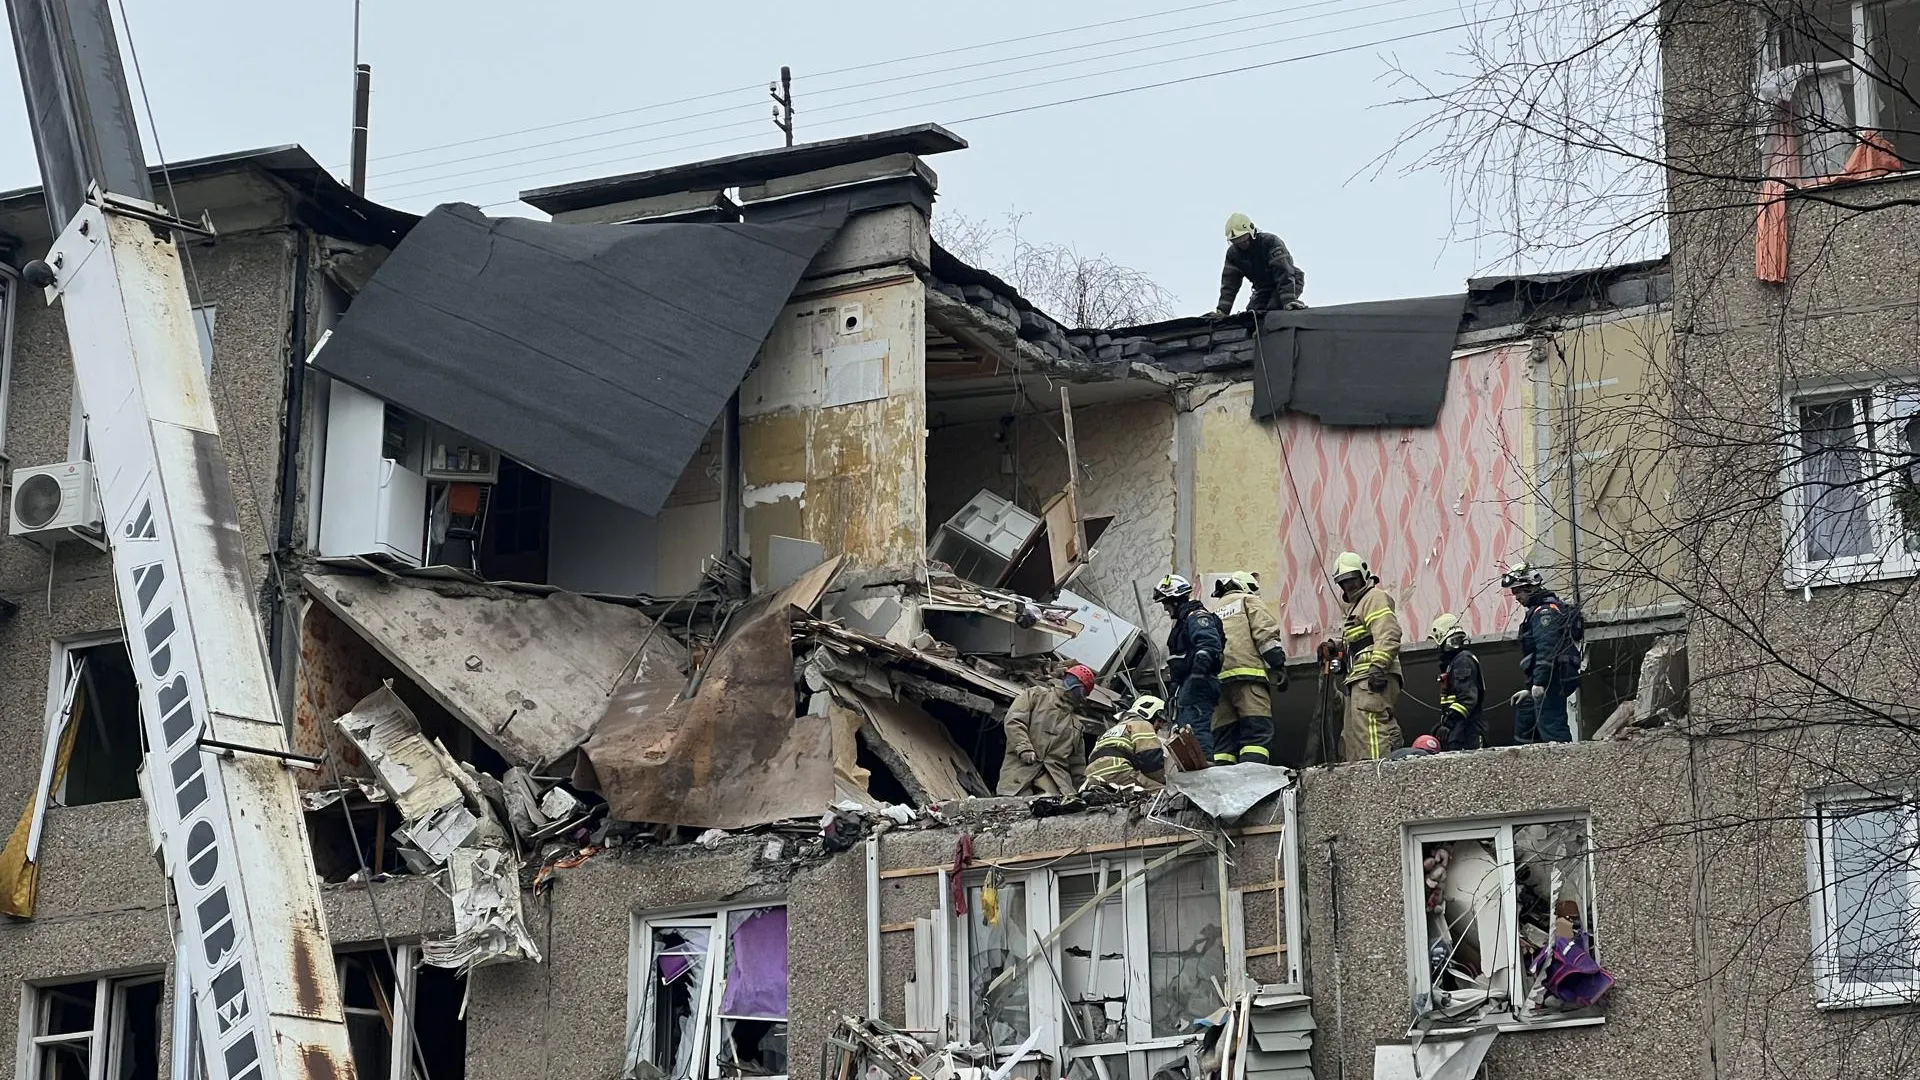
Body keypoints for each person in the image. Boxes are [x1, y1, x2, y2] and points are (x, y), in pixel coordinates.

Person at [1208, 571, 1288, 764]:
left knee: (1224, 743)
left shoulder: (1211, 612)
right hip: (1247, 676)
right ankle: (1254, 783)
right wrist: (1278, 664)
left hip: (1216, 684)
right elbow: (1265, 635)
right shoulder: (1248, 600)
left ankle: (1225, 785)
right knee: (1256, 734)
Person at [1332, 552, 1404, 761]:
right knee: (1353, 737)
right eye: (1343, 582)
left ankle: (1376, 779)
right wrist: (1334, 645)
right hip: (1359, 678)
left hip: (1372, 676)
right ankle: (1361, 781)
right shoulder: (1356, 606)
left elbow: (1388, 632)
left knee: (1370, 730)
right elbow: (1358, 642)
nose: (1349, 585)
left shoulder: (1374, 597)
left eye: (1352, 579)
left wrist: (1378, 666)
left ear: (1363, 575)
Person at [1504, 564, 1584, 743]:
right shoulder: (1541, 610)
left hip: (1552, 679)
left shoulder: (1544, 612)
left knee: (1552, 726)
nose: (1516, 597)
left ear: (1530, 587)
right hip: (1550, 678)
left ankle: (1564, 762)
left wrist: (1539, 683)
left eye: (1519, 592)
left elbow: (1547, 649)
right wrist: (1530, 688)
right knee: (1527, 715)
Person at [1153, 574, 1226, 761]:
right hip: (1187, 683)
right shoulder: (1183, 621)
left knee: (1196, 729)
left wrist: (1197, 676)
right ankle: (1194, 769)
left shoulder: (1197, 616)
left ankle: (1205, 770)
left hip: (1199, 683)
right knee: (1185, 731)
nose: (1165, 608)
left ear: (1175, 600)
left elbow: (1208, 646)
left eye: (1166, 603)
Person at [997, 664, 1096, 795]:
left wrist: (1083, 792)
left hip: (1055, 785)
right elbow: (1014, 721)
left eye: (1078, 688)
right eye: (1071, 681)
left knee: (1051, 808)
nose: (1070, 686)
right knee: (1012, 809)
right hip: (1019, 776)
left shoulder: (1076, 727)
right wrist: (1024, 747)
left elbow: (1077, 767)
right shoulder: (1036, 695)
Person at [1210, 213, 1307, 317]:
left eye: (1244, 239)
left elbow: (1284, 271)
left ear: (1251, 232)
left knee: (1273, 309)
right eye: (1236, 242)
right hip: (1263, 288)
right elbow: (1229, 284)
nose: (1242, 244)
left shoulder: (1270, 242)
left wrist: (1289, 300)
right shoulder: (1233, 254)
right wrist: (1222, 311)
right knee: (1253, 315)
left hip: (1290, 282)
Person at [1083, 695, 1170, 791]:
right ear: (1149, 713)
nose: (1161, 726)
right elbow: (1151, 760)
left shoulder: (1114, 729)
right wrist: (1166, 781)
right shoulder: (1142, 724)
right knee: (1163, 792)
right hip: (1117, 770)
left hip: (1091, 775)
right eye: (1160, 720)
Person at [1429, 613, 1486, 751]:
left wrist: (1448, 723)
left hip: (1467, 731)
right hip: (1460, 729)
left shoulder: (1462, 661)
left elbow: (1467, 699)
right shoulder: (1454, 662)